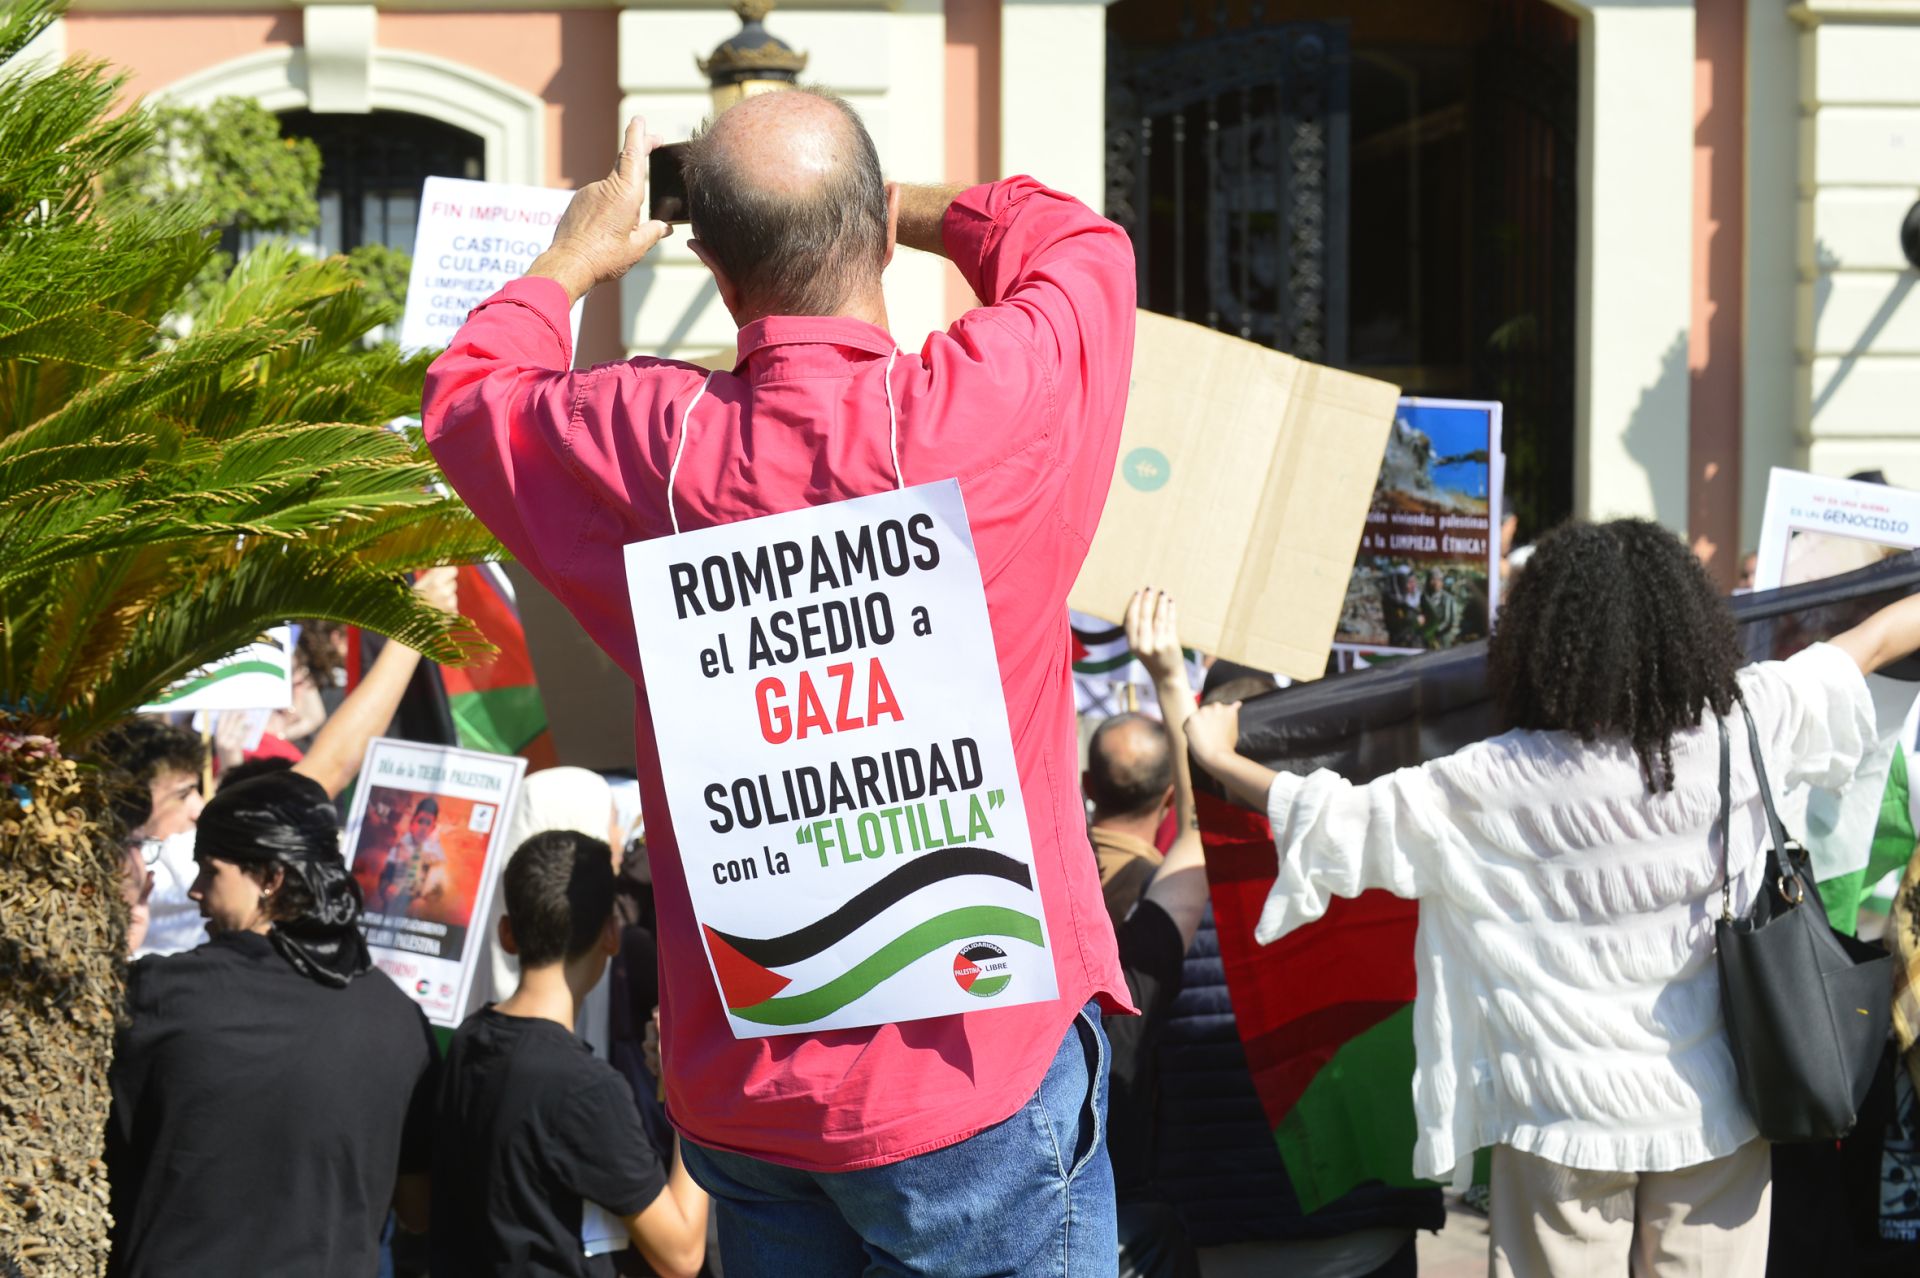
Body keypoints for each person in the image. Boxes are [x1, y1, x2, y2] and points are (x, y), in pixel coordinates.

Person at [422, 88, 1134, 1274]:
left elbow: (468, 395)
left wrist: (578, 253)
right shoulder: (993, 403)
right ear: (870, 224)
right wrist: (889, 204)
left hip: (751, 1103)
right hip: (975, 1087)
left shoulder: (652, 447)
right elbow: (1075, 243)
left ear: (705, 258)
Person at [1185, 517, 1920, 1277]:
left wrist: (1213, 754)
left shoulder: (1494, 779)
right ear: (1690, 623)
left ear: (1540, 638)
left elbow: (1337, 818)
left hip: (1558, 1113)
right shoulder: (1746, 722)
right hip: (1720, 1100)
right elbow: (1870, 641)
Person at [106, 770, 437, 1276]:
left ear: (270, 879)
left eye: (210, 872)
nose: (195, 892)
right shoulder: (402, 1021)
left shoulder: (162, 995)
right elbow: (418, 1209)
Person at [431, 830, 708, 1278]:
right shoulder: (586, 1088)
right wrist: (690, 1091)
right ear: (611, 935)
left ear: (507, 933)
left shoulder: (468, 1041)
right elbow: (681, 1255)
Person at [1085, 592, 1189, 930]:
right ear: (1170, 797)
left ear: (1088, 785)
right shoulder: (1166, 893)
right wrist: (1171, 678)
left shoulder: (1049, 870)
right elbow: (1195, 833)